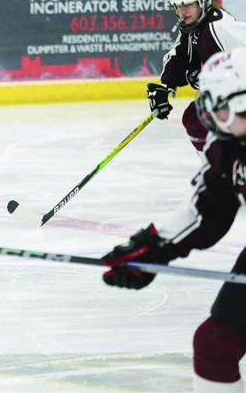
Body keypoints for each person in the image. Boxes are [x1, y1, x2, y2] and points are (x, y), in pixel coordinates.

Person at [102, 46, 246, 392]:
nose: (215, 117)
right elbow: (208, 207)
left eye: (224, 107)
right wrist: (152, 249)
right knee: (215, 343)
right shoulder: (228, 144)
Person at [147, 0, 246, 151]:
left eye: (188, 4)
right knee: (195, 118)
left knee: (205, 119)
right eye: (179, 6)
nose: (183, 11)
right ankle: (221, 167)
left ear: (203, 1)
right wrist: (165, 86)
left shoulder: (219, 28)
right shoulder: (194, 26)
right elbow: (180, 56)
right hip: (230, 97)